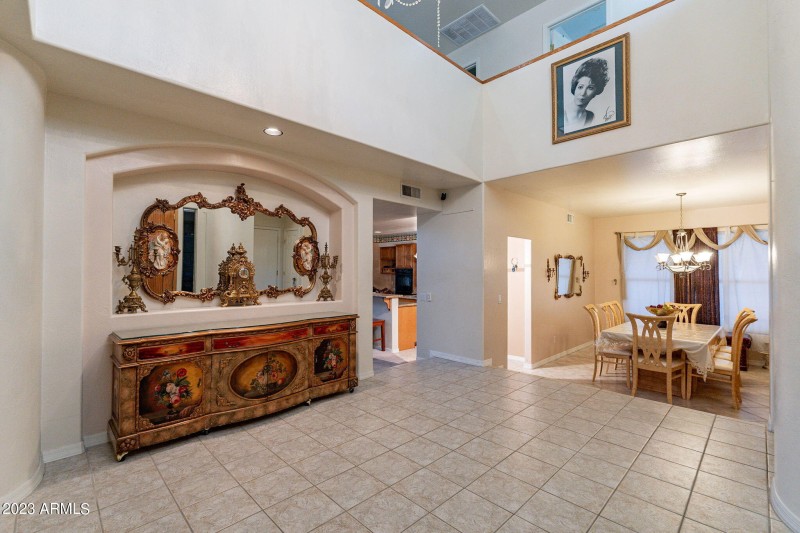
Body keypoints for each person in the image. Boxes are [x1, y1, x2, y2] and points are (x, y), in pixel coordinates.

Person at [563, 57, 609, 134]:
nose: (583, 93)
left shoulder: (591, 117)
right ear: (575, 87)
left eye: (590, 88)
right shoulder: (560, 113)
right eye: (580, 87)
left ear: (596, 91)